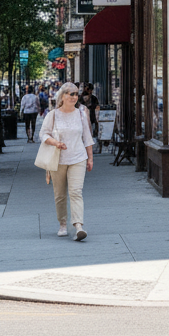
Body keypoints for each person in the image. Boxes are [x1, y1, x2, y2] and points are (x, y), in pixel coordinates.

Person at [40, 82, 95, 241]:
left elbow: (87, 137)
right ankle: (62, 223)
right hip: (58, 160)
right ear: (62, 96)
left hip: (78, 158)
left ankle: (78, 226)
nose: (74, 97)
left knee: (76, 192)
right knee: (60, 194)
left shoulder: (81, 114)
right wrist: (55, 143)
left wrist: (90, 158)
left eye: (76, 94)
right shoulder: (53, 115)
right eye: (70, 94)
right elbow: (43, 135)